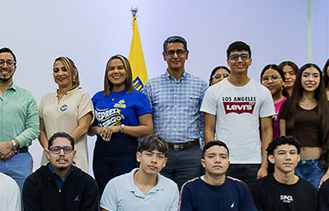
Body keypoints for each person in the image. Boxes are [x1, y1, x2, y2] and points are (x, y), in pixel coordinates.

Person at [201, 41, 275, 182]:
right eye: (234, 57)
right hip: (223, 160)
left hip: (253, 161)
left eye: (244, 56)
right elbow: (208, 129)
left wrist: (265, 165)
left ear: (250, 61)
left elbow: (266, 130)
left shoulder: (262, 92)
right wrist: (213, 159)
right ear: (228, 61)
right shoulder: (213, 91)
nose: (239, 60)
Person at [142, 36, 206, 186]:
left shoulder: (200, 85)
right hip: (160, 153)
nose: (175, 56)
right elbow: (146, 122)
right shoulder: (151, 85)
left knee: (188, 196)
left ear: (186, 54)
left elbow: (205, 122)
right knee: (159, 195)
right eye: (171, 52)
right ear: (164, 56)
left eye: (180, 52)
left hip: (191, 154)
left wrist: (205, 151)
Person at [0, 48, 39, 191]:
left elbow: (34, 129)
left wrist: (12, 144)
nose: (5, 66)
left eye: (9, 63)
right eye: (1, 62)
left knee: (22, 201)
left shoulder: (27, 97)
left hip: (20, 160)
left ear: (15, 67)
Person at [90, 54, 153, 193]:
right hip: (101, 150)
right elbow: (88, 128)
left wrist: (120, 128)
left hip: (127, 149)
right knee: (103, 191)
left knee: (123, 192)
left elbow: (148, 129)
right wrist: (98, 130)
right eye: (111, 68)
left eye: (120, 68)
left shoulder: (138, 96)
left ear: (127, 71)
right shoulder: (98, 97)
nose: (116, 71)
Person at [279, 63, 329, 187]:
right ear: (299, 78)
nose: (310, 79)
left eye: (315, 76)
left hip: (318, 166)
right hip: (293, 165)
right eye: (306, 75)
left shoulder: (327, 106)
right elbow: (282, 139)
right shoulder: (287, 105)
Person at [39, 56, 94, 173]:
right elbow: (41, 130)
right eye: (56, 70)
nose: (60, 73)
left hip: (74, 155)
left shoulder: (82, 96)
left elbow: (83, 127)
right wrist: (49, 150)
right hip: (49, 157)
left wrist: (62, 148)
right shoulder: (46, 98)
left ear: (74, 73)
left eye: (64, 69)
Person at [260, 64, 286, 137]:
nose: (270, 81)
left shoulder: (289, 104)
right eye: (266, 79)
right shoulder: (258, 104)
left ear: (283, 81)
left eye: (274, 77)